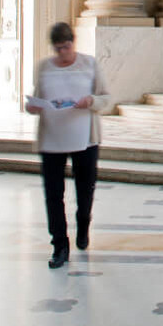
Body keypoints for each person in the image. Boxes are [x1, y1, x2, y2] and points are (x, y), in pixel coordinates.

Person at [26, 21, 112, 269]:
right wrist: (32, 106)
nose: (62, 53)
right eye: (57, 49)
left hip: (84, 138)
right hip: (52, 139)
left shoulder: (89, 64)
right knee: (53, 195)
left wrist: (91, 100)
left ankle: (83, 223)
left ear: (72, 43)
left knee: (85, 190)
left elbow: (105, 97)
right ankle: (59, 246)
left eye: (65, 47)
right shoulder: (44, 67)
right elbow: (37, 98)